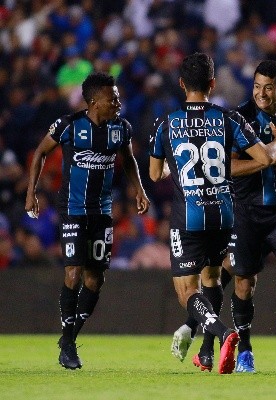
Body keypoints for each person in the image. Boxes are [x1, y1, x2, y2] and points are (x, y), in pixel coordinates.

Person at [170, 60, 276, 372]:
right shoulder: (240, 118)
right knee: (244, 284)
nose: (261, 93)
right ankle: (245, 352)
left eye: (268, 87)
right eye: (256, 87)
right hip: (245, 211)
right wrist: (268, 158)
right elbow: (227, 166)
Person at [149, 52, 276, 374]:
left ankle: (224, 333)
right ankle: (207, 353)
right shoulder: (229, 119)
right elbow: (266, 159)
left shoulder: (166, 123)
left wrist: (176, 167)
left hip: (189, 218)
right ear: (212, 84)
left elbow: (155, 174)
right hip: (224, 216)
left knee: (187, 292)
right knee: (212, 278)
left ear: (181, 83)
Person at [25, 72, 150, 370]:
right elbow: (40, 153)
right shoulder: (68, 126)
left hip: (102, 213)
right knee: (73, 273)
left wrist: (139, 190)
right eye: (112, 99)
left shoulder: (121, 128)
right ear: (94, 102)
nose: (118, 103)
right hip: (72, 209)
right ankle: (69, 345)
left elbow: (128, 159)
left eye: (117, 98)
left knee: (95, 279)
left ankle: (68, 337)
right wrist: (31, 192)